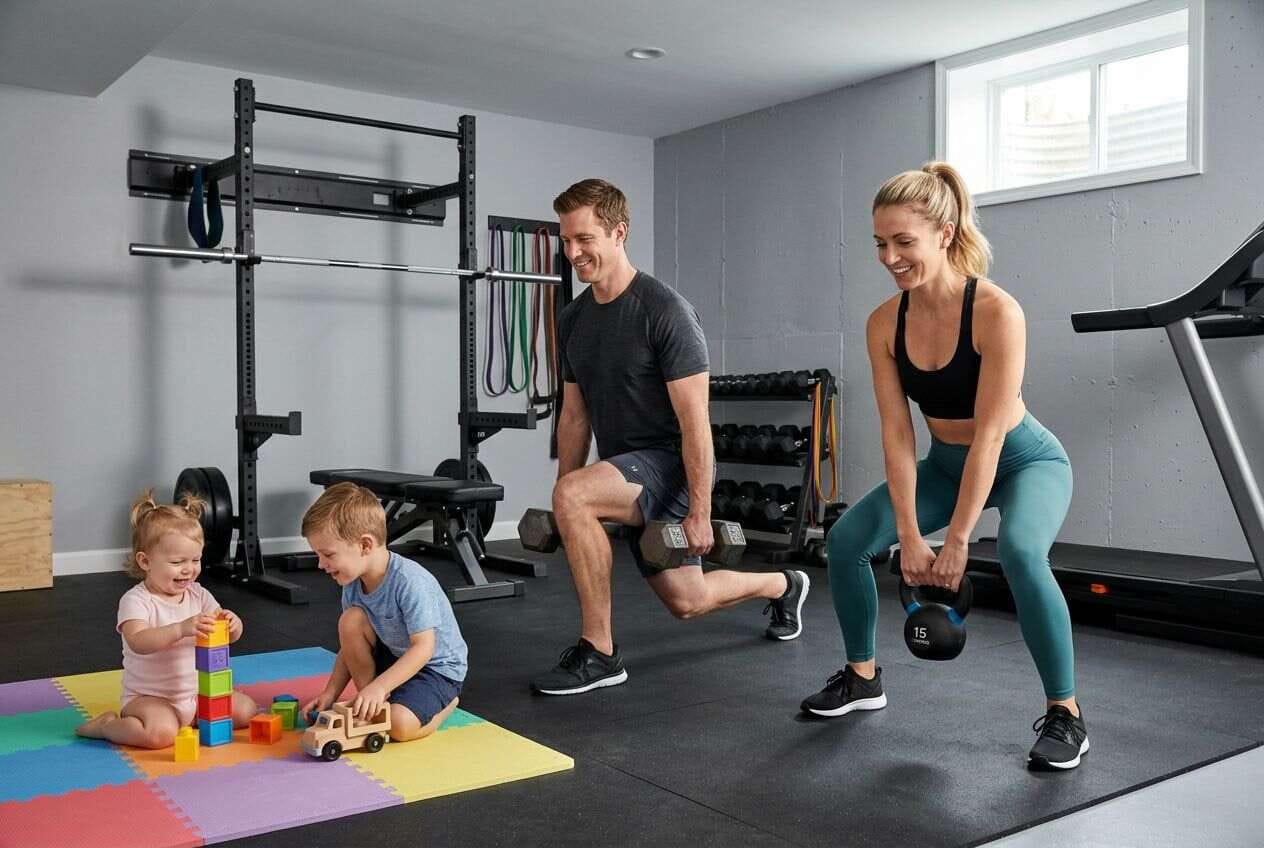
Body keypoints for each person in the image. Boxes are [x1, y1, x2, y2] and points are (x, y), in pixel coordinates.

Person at [799, 162, 1087, 771]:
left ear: (946, 232)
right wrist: (907, 533)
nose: (889, 257)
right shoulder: (885, 322)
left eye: (904, 241)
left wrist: (956, 541)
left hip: (1024, 459)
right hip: (946, 464)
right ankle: (862, 676)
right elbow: (897, 432)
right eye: (881, 243)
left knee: (1021, 554)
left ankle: (1067, 714)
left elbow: (989, 436)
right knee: (849, 540)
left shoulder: (996, 312)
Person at [530, 178, 810, 697]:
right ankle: (783, 584)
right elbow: (573, 416)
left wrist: (699, 510)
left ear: (619, 232)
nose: (572, 253)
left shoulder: (665, 311)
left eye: (584, 239)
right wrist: (562, 494)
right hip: (626, 469)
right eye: (565, 240)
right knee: (689, 601)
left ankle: (601, 652)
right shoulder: (572, 320)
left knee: (578, 496)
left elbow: (695, 422)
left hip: (667, 466)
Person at [75, 491, 257, 748]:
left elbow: (222, 634)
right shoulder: (136, 600)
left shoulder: (199, 594)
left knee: (246, 711)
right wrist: (181, 628)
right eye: (177, 561)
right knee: (160, 736)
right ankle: (107, 726)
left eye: (195, 559)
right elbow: (139, 641)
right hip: (150, 698)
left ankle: (188, 721)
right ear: (145, 561)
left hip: (197, 694)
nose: (188, 568)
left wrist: (233, 625)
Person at [300, 482, 465, 741]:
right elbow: (348, 647)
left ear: (365, 545)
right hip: (395, 656)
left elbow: (424, 648)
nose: (321, 564)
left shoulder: (410, 582)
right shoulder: (352, 583)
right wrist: (331, 693)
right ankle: (375, 701)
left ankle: (446, 706)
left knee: (397, 726)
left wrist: (380, 686)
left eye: (328, 554)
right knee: (350, 621)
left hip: (435, 669)